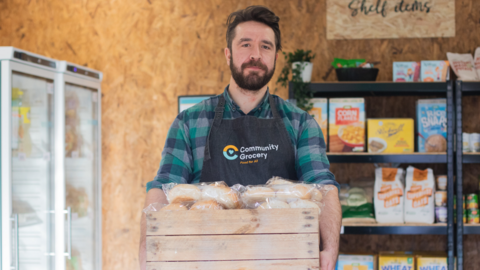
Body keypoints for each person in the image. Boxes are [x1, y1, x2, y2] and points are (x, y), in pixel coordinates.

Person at [139, 5, 341, 270]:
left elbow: (323, 188)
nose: (255, 55)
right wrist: (146, 253)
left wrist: (329, 249)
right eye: (246, 44)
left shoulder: (301, 123)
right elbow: (163, 190)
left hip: (284, 260)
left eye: (266, 46)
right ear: (228, 54)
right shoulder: (189, 123)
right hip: (206, 260)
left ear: (276, 56)